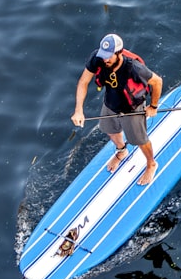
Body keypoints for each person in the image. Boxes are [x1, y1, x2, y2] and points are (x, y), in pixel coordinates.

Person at [70, 34, 163, 185]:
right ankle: (122, 151)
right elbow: (83, 82)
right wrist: (78, 110)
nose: (105, 60)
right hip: (110, 103)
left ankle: (151, 163)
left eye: (109, 56)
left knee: (139, 140)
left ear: (119, 53)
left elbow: (157, 81)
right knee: (111, 131)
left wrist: (153, 106)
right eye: (103, 56)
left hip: (131, 108)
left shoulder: (134, 68)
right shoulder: (97, 58)